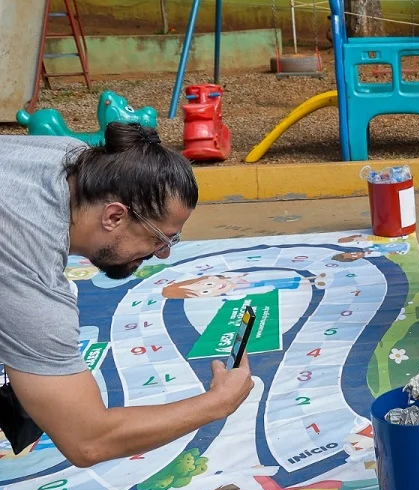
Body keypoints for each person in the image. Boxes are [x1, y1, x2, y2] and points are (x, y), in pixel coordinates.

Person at [0, 124, 253, 468]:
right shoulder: (29, 269)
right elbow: (88, 440)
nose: (163, 253)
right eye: (160, 238)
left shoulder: (71, 157)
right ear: (114, 215)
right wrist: (217, 403)